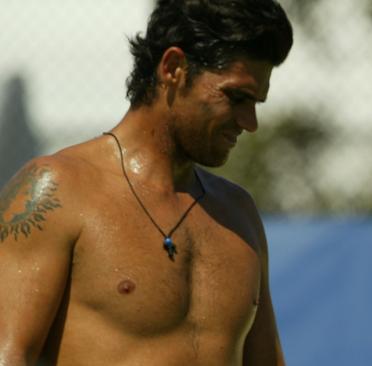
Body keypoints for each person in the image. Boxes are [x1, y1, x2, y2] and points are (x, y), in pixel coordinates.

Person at [0, 0, 292, 365]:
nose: (249, 122)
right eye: (235, 97)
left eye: (256, 103)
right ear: (173, 68)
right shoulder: (57, 189)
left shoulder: (237, 212)